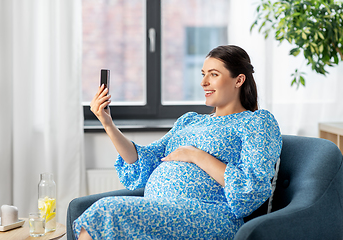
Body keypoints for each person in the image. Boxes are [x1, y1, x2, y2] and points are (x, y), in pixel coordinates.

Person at [71, 45, 282, 239]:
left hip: (210, 215)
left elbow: (251, 187)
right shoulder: (189, 121)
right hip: (160, 208)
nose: (203, 82)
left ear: (239, 80)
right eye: (203, 74)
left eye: (214, 75)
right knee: (99, 217)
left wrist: (196, 155)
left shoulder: (257, 122)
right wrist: (107, 123)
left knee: (106, 211)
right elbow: (143, 160)